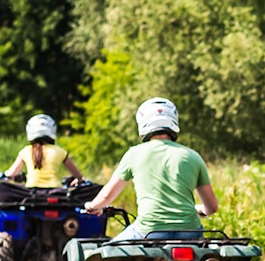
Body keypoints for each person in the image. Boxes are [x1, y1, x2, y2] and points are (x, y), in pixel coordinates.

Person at [84, 97, 218, 240]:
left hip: (149, 231)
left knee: (103, 254)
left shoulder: (134, 153)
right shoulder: (193, 156)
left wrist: (93, 206)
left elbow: (107, 196)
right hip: (190, 232)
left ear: (142, 122)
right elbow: (212, 207)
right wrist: (202, 210)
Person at [4, 114, 85, 188]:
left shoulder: (26, 151)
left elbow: (11, 174)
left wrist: (5, 175)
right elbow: (79, 176)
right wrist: (78, 179)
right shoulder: (60, 151)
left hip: (31, 193)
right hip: (55, 192)